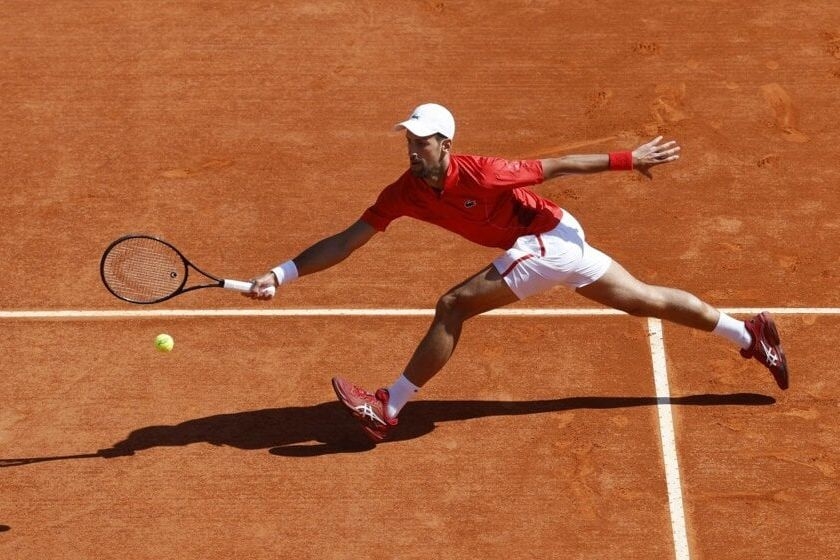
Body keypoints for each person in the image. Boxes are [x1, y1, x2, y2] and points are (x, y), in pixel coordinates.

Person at [244, 102, 789, 443]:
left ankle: (389, 406)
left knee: (453, 305)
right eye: (408, 140)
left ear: (446, 145)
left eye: (422, 140)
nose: (412, 149)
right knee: (642, 298)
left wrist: (630, 158)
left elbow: (557, 166)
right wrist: (280, 273)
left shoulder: (483, 173)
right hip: (556, 240)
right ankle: (750, 334)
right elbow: (348, 239)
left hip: (550, 239)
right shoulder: (404, 192)